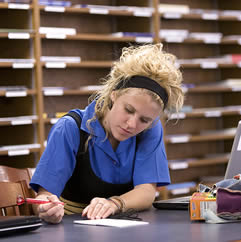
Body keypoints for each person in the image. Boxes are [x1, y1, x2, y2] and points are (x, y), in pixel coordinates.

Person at [30, 44, 184, 224]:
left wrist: (114, 204)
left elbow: (147, 191)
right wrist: (47, 209)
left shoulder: (151, 129)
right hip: (72, 228)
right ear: (114, 94)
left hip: (127, 227)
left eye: (144, 120)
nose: (132, 124)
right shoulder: (70, 128)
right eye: (128, 109)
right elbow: (43, 196)